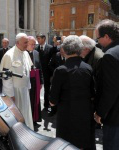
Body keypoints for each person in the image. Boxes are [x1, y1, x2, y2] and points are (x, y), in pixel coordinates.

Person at [49, 35, 95, 149]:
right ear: (80, 49)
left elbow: (52, 100)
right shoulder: (88, 68)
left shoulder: (60, 70)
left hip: (67, 117)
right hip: (85, 115)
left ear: (64, 50)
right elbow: (93, 93)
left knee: (67, 146)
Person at [0, 33, 34, 130]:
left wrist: (29, 86)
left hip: (24, 90)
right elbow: (6, 78)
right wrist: (10, 95)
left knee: (26, 114)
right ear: (17, 43)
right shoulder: (9, 55)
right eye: (25, 42)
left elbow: (27, 72)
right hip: (15, 92)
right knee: (17, 117)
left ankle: (27, 131)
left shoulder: (26, 53)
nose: (27, 44)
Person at [94, 19, 119, 149]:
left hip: (115, 117)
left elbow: (110, 90)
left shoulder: (110, 55)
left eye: (98, 38)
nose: (97, 42)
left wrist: (100, 112)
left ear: (107, 37)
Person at [36, 33, 56, 112]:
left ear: (44, 39)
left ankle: (46, 104)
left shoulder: (50, 48)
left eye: (39, 38)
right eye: (37, 38)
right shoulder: (36, 48)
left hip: (47, 73)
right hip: (38, 73)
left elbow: (53, 60)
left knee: (47, 90)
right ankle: (36, 105)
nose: (38, 40)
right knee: (37, 89)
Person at [27, 36, 43, 123]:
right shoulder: (23, 53)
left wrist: (41, 81)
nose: (34, 46)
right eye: (32, 44)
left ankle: (35, 118)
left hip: (36, 81)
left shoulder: (36, 53)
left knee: (35, 100)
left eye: (34, 44)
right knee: (28, 101)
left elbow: (40, 67)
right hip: (27, 82)